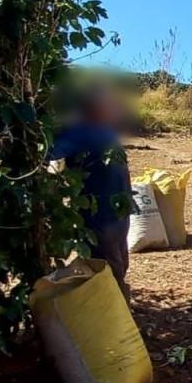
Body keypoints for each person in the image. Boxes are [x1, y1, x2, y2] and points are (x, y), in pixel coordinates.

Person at [50, 83, 133, 298]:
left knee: (105, 268)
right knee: (116, 263)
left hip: (102, 214)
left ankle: (115, 318)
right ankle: (118, 313)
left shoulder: (81, 132)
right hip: (118, 211)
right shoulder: (102, 131)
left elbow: (47, 153)